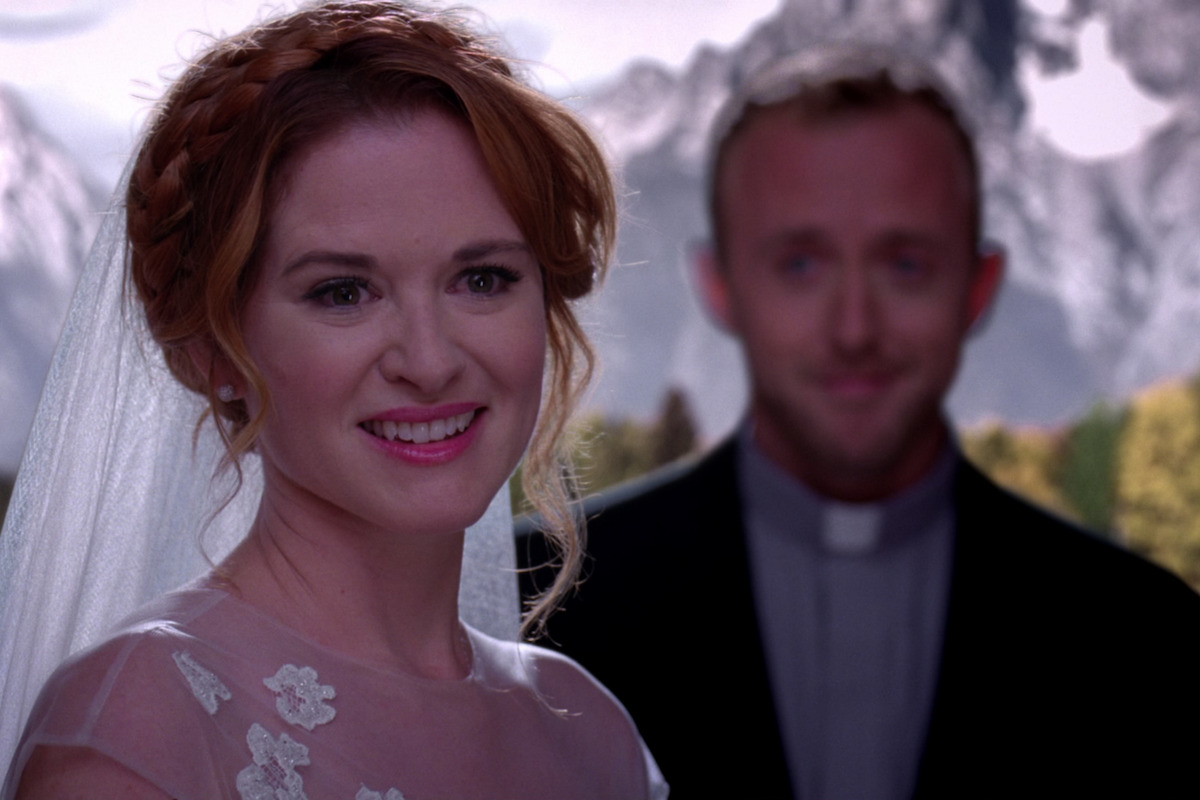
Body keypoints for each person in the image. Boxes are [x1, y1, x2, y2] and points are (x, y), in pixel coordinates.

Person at [0, 3, 667, 798]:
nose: (429, 361)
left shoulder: (589, 735)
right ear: (212, 349)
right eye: (343, 292)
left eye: (482, 278)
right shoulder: (136, 739)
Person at [520, 44, 1200, 799]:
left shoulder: (1146, 637)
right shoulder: (544, 609)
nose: (853, 327)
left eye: (904, 264)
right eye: (801, 265)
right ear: (720, 286)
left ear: (979, 288)